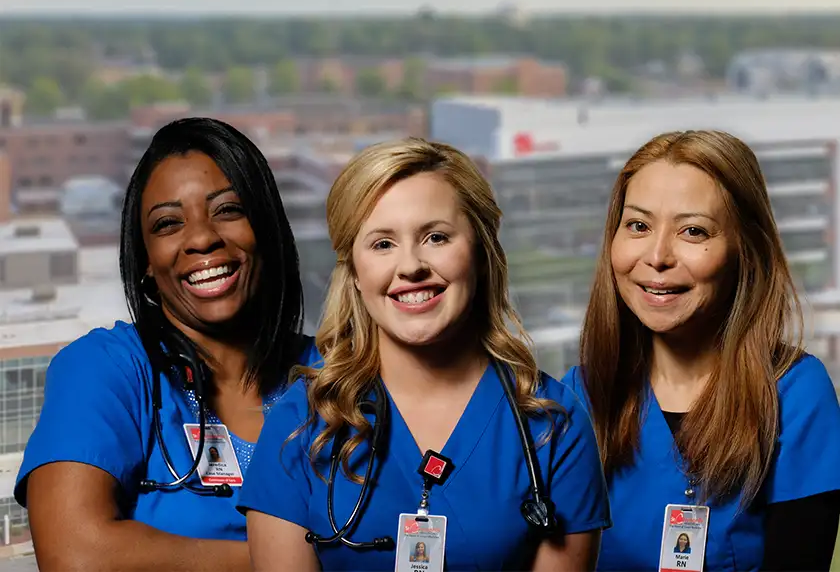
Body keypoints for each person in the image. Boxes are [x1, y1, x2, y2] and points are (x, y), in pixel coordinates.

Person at [238, 138, 611, 571]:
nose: (410, 266)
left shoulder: (554, 425)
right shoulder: (298, 424)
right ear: (354, 272)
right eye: (382, 244)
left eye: (436, 237)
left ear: (481, 252)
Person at [15, 117, 320, 572]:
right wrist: (302, 562)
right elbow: (76, 558)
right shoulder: (106, 369)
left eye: (228, 210)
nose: (201, 238)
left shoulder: (338, 373)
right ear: (145, 264)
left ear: (268, 229)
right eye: (168, 223)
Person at [562, 130, 840, 571]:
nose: (657, 256)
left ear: (744, 250)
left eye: (693, 231)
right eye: (638, 225)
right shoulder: (577, 396)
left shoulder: (796, 394)